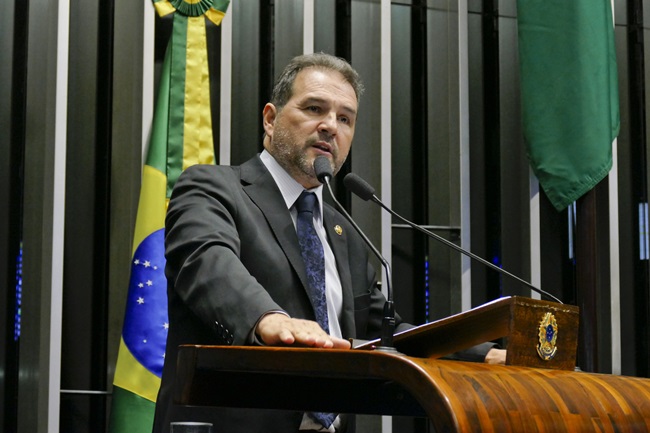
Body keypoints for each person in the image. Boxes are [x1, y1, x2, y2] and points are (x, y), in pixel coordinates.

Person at [152, 53, 505, 433]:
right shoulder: (213, 188)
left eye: (345, 118)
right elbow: (208, 263)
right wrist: (267, 319)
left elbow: (384, 334)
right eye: (314, 108)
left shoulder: (343, 231)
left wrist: (482, 356)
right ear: (270, 119)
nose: (329, 126)